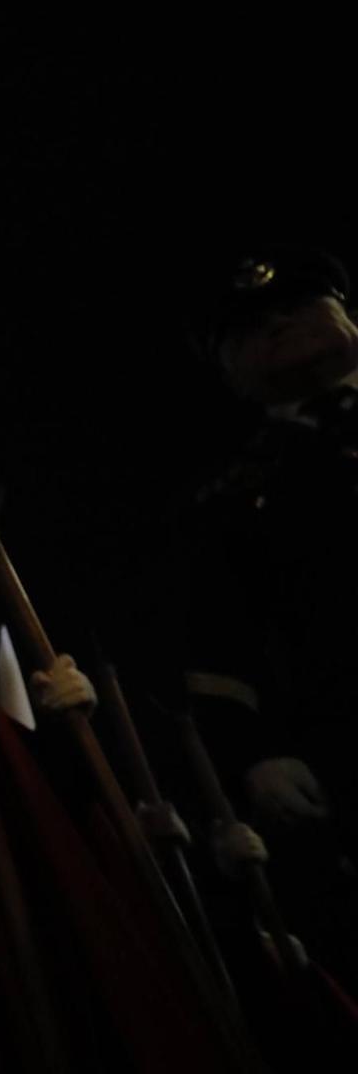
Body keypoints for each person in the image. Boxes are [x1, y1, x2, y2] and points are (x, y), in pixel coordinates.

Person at [177, 246, 358, 986]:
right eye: (250, 328)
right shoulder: (231, 501)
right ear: (229, 369)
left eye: (302, 302)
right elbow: (223, 642)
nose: (280, 323)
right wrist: (257, 750)